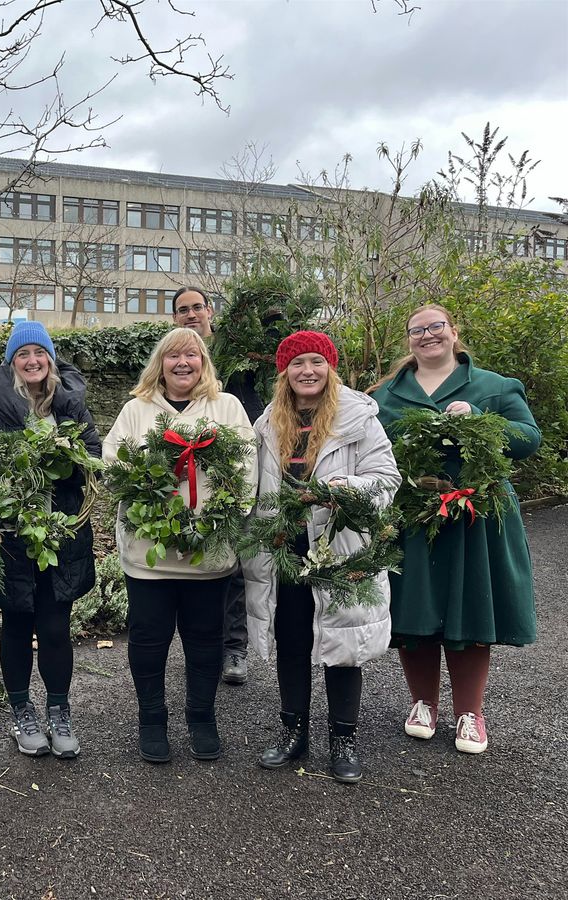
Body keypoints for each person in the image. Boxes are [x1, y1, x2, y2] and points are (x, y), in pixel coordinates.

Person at [371, 304, 539, 755]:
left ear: (453, 332)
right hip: (413, 516)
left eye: (436, 327)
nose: (427, 336)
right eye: (417, 330)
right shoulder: (386, 394)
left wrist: (484, 423)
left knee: (470, 606)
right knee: (415, 607)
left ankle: (471, 711)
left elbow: (529, 438)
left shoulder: (494, 386)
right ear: (408, 340)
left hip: (475, 517)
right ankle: (423, 703)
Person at [244, 331, 400, 784]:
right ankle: (294, 733)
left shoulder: (358, 418)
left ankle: (343, 739)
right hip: (284, 552)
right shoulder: (268, 423)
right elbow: (253, 489)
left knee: (341, 645)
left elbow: (386, 479)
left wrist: (341, 490)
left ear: (329, 367)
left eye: (315, 362)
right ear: (284, 373)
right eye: (297, 364)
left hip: (339, 548)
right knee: (292, 640)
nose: (306, 371)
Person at [102, 327, 257, 763]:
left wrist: (220, 522)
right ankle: (152, 719)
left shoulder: (225, 408)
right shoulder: (137, 410)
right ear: (161, 364)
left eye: (191, 355)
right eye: (173, 356)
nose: (182, 363)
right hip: (148, 556)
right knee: (148, 640)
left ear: (203, 361)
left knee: (205, 640)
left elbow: (246, 469)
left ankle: (201, 717)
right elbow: (114, 464)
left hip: (207, 554)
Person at [0, 321, 100, 759]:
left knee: (55, 625)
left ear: (50, 359)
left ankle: (59, 712)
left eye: (39, 353)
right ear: (12, 362)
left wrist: (67, 458)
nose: (32, 361)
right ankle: (22, 712)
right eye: (23, 354)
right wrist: (14, 473)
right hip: (10, 534)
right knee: (16, 622)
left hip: (61, 530)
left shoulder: (70, 403)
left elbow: (94, 453)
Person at [172, 286, 264, 686]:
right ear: (175, 318)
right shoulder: (175, 355)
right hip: (188, 472)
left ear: (210, 311)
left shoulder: (238, 356)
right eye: (182, 310)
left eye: (196, 307)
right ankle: (201, 645)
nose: (191, 314)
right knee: (191, 563)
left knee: (235, 567)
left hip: (231, 469)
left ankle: (234, 648)